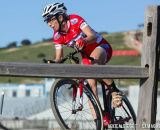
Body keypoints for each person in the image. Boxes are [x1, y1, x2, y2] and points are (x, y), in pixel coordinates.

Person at [42, 2, 122, 125]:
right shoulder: (57, 36)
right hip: (86, 56)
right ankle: (100, 120)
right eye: (46, 21)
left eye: (50, 19)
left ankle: (114, 91)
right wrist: (53, 62)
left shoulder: (75, 19)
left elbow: (92, 36)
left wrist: (83, 40)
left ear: (60, 17)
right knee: (90, 86)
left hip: (101, 47)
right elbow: (59, 57)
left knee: (94, 64)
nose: (49, 24)